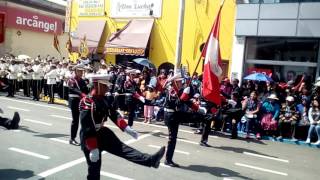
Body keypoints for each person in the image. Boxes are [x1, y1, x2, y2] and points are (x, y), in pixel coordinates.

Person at [79, 75, 165, 180]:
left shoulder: (104, 99)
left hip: (102, 133)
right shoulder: (87, 102)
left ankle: (150, 160)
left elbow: (113, 114)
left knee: (124, 150)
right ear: (97, 85)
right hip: (90, 138)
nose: (107, 88)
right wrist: (93, 147)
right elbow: (87, 126)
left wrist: (126, 128)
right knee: (94, 171)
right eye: (104, 86)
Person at [67, 64, 89, 145]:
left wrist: (90, 88)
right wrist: (82, 94)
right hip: (74, 100)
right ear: (75, 71)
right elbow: (73, 89)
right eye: (79, 71)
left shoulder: (82, 80)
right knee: (75, 120)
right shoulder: (71, 80)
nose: (81, 72)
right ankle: (72, 139)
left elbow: (86, 90)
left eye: (82, 71)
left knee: (84, 120)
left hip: (81, 100)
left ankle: (84, 138)